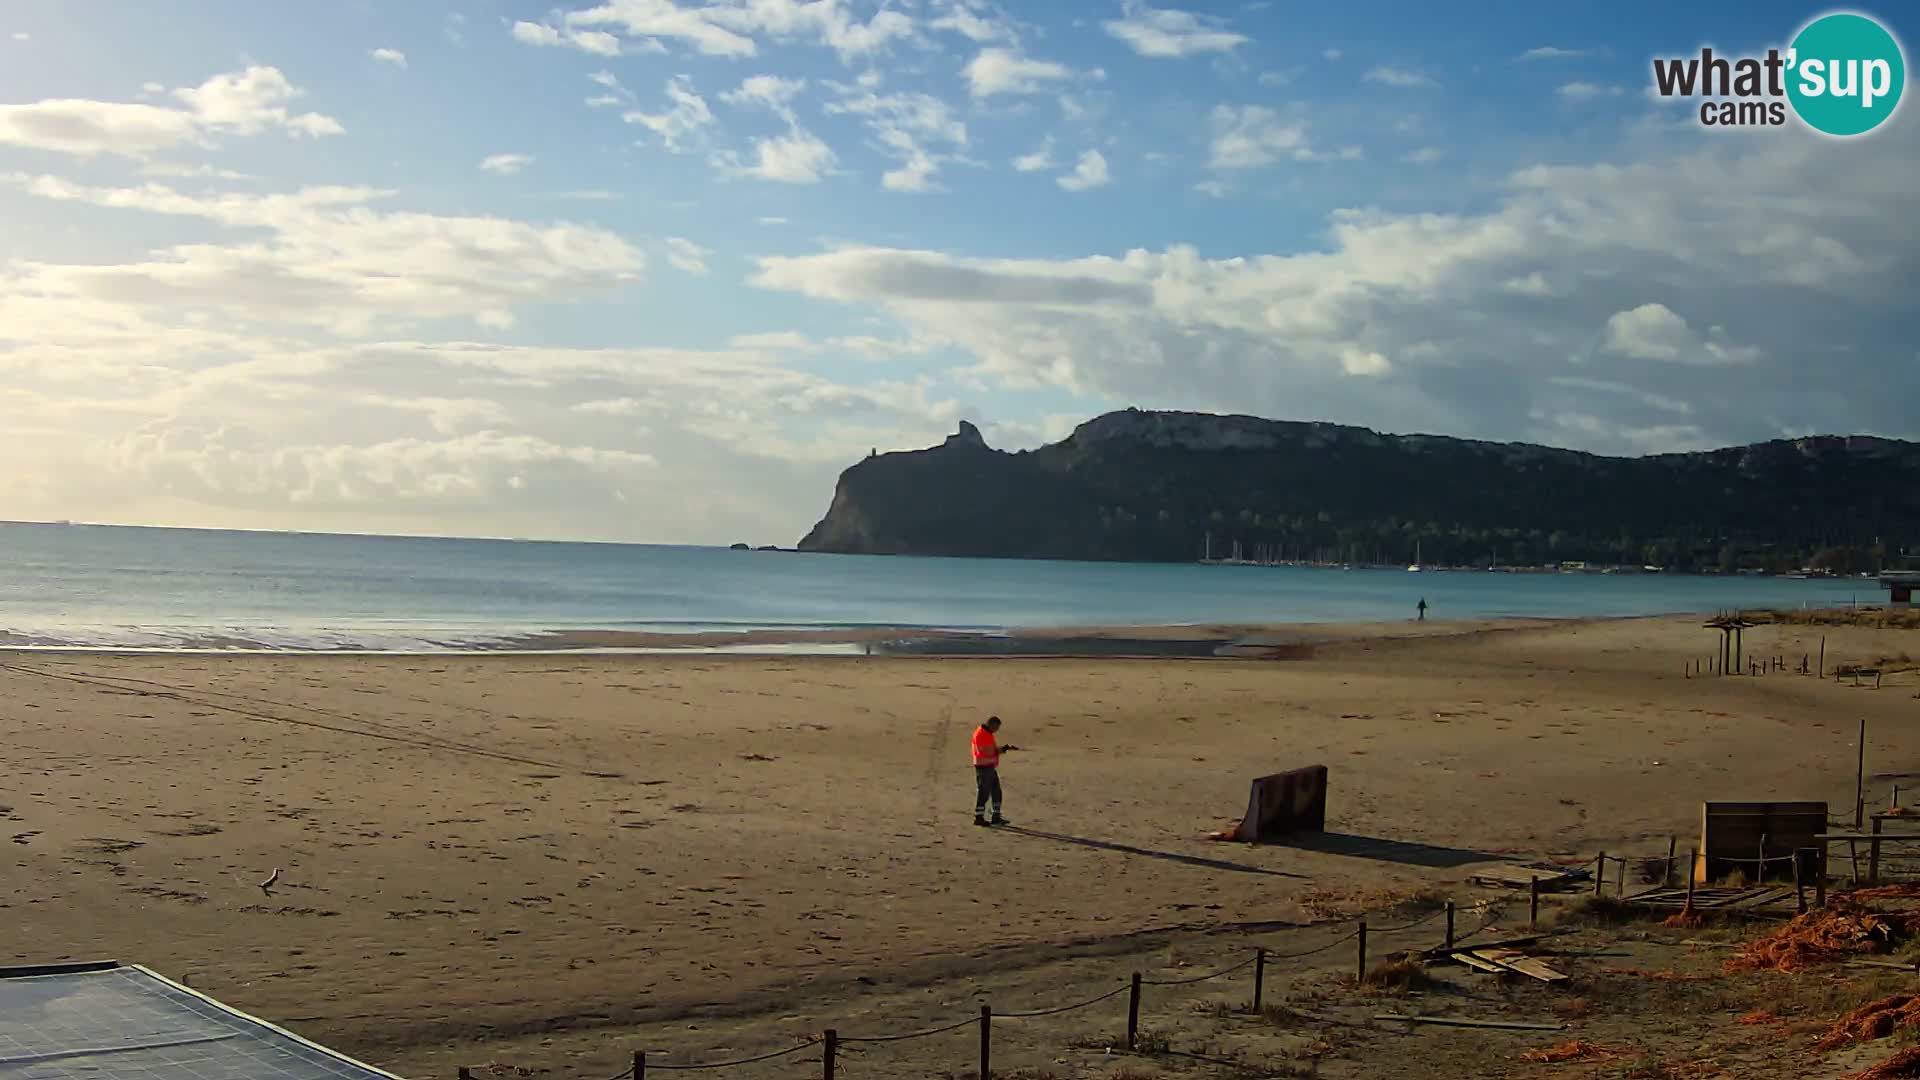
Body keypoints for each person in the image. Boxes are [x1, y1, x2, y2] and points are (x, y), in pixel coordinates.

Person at [971, 716, 1019, 827]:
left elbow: (990, 750)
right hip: (983, 767)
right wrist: (1000, 750)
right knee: (984, 792)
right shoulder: (981, 734)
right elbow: (986, 751)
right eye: (996, 727)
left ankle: (996, 816)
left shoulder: (987, 734)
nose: (997, 730)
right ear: (991, 724)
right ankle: (979, 817)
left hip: (989, 766)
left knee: (996, 791)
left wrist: (1004, 749)